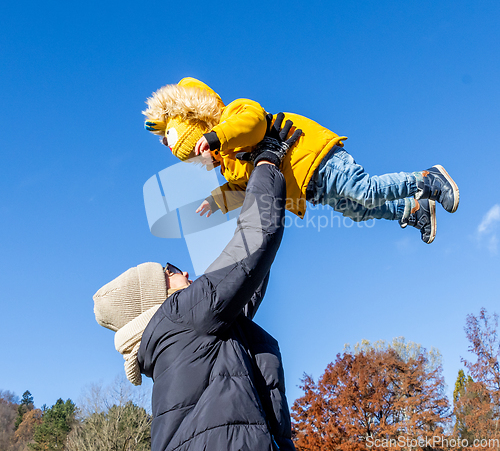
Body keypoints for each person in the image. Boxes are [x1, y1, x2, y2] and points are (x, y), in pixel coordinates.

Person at [93, 120, 300, 450]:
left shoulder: (178, 338)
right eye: (170, 270)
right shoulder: (178, 317)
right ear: (155, 296)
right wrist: (265, 161)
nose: (185, 273)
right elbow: (251, 247)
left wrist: (258, 186)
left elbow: (249, 277)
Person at [143, 77, 459, 244]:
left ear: (200, 122)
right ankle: (413, 210)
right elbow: (244, 187)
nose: (207, 155)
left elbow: (252, 124)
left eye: (203, 146)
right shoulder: (229, 165)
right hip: (310, 188)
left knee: (364, 191)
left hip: (316, 158)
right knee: (357, 211)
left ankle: (428, 179)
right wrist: (217, 200)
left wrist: (217, 137)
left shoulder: (234, 115)